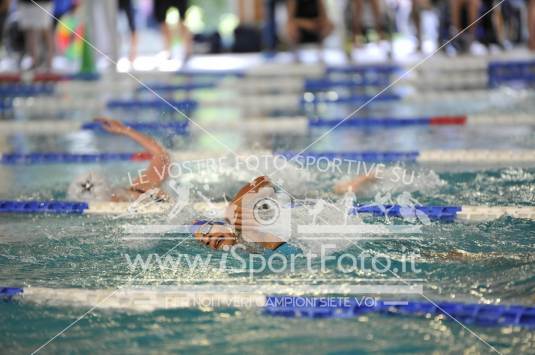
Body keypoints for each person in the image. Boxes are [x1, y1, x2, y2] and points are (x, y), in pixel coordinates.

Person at [193, 174, 376, 251]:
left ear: (217, 224)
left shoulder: (234, 213)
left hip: (301, 206)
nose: (207, 239)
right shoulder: (242, 247)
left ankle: (363, 180)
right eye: (204, 242)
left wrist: (245, 204)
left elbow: (264, 180)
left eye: (207, 233)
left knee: (340, 194)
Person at [67, 118, 170, 202]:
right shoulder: (145, 191)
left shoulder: (144, 191)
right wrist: (125, 130)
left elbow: (160, 155)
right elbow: (161, 155)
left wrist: (124, 130)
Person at [18, 0, 54, 70]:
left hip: (43, 3)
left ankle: (49, 64)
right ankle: (33, 63)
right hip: (25, 3)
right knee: (29, 32)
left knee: (45, 29)